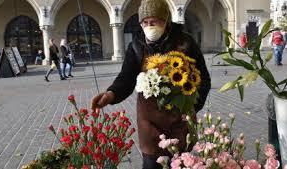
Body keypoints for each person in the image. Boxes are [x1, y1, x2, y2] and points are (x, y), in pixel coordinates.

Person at [90, 0, 211, 168]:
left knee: (182, 163)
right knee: (151, 164)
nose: (149, 26)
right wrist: (110, 94)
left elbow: (203, 78)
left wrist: (192, 107)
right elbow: (126, 78)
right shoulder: (136, 46)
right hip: (150, 123)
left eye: (154, 21)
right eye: (145, 22)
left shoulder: (185, 42)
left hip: (180, 121)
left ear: (165, 21)